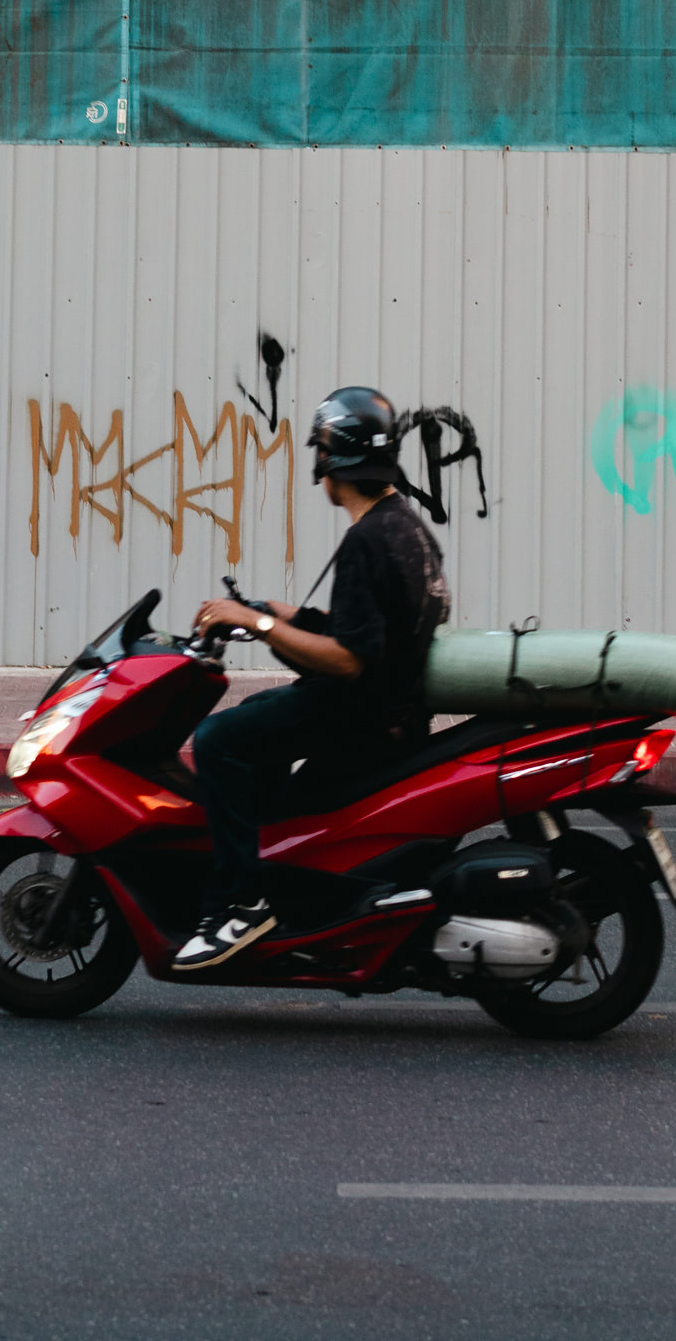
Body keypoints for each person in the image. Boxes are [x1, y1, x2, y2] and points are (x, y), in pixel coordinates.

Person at [173, 385, 450, 969]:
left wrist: (255, 622)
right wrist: (287, 616)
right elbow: (374, 627)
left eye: (319, 453)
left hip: (360, 714)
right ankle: (275, 873)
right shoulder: (407, 528)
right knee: (260, 737)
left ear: (331, 460)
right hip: (393, 708)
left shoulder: (366, 540)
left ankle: (238, 905)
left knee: (219, 741)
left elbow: (351, 658)